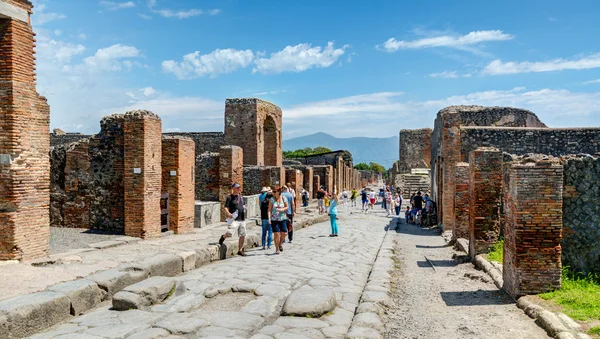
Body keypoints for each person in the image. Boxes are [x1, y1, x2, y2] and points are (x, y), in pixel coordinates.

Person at [218, 182, 247, 256]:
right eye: (237, 188)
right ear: (233, 189)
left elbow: (243, 205)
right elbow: (225, 207)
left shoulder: (241, 197)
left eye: (239, 187)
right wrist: (228, 213)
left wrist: (244, 208)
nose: (239, 189)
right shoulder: (229, 197)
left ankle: (240, 250)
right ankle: (223, 237)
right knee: (230, 233)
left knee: (242, 235)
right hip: (234, 219)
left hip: (242, 218)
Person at [268, 186, 288, 255]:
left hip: (282, 218)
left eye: (274, 191)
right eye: (272, 191)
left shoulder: (283, 198)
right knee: (276, 234)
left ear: (279, 192)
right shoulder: (271, 199)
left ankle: (280, 244)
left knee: (284, 233)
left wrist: (282, 209)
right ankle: (276, 249)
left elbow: (287, 206)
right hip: (274, 219)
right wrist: (269, 218)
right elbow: (269, 210)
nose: (273, 193)